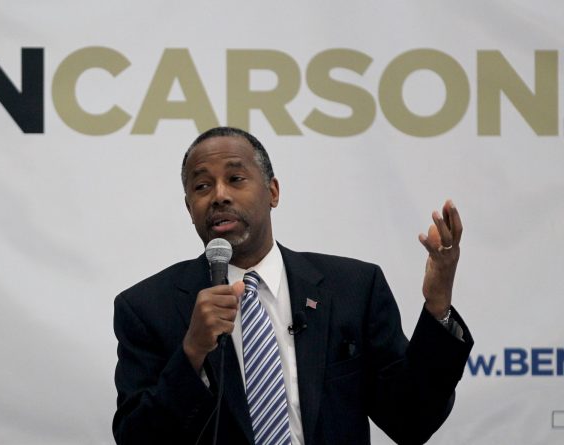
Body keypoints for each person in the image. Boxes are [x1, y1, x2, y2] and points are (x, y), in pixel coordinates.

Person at [113, 127, 473, 445]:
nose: (219, 195)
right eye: (202, 186)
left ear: (273, 192)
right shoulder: (147, 309)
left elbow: (412, 420)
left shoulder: (352, 289)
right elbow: (136, 438)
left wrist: (438, 306)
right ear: (189, 207)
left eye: (236, 179)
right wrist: (191, 353)